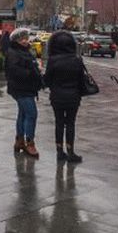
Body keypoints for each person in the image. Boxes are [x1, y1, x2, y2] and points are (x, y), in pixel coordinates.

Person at [43, 31, 85, 163]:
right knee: (71, 123)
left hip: (57, 96)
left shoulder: (52, 60)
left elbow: (47, 81)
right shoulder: (77, 60)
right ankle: (71, 151)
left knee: (59, 123)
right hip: (73, 97)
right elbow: (81, 80)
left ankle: (59, 151)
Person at [5, 28, 42, 158]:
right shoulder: (14, 53)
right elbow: (15, 71)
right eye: (22, 39)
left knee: (23, 113)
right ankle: (29, 143)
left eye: (26, 38)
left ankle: (19, 140)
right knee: (32, 114)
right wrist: (32, 73)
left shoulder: (23, 51)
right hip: (21, 89)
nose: (25, 41)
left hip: (25, 88)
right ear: (16, 40)